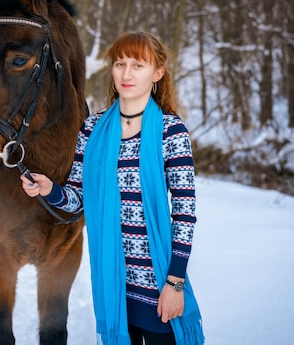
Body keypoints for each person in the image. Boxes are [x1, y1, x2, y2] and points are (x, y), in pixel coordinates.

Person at [20, 31, 204, 345]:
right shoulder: (92, 129)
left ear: (157, 73)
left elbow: (184, 214)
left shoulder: (171, 132)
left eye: (138, 65)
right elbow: (78, 201)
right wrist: (50, 189)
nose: (127, 73)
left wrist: (174, 284)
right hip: (114, 285)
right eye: (120, 64)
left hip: (159, 284)